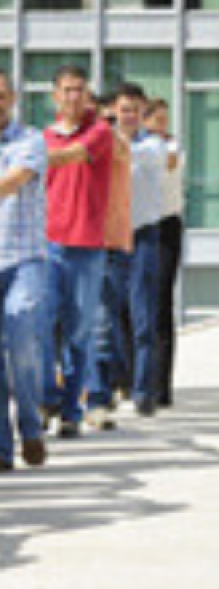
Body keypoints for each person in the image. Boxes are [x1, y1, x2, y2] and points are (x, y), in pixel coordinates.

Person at [42, 64, 114, 438]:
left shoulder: (99, 132)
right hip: (48, 245)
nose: (73, 97)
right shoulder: (43, 136)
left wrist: (27, 159)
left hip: (87, 248)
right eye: (66, 90)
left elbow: (72, 155)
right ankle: (45, 397)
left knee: (78, 334)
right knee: (39, 326)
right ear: (54, 95)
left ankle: (70, 410)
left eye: (79, 90)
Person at [87, 82, 166, 420]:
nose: (130, 116)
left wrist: (102, 137)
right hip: (110, 239)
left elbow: (126, 152)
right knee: (105, 320)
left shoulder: (154, 146)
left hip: (145, 236)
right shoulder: (102, 142)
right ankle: (103, 391)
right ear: (115, 112)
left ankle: (144, 390)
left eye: (136, 110)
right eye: (124, 110)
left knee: (143, 318)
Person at [0, 70, 49, 470]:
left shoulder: (30, 140)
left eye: (1, 95)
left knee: (22, 343)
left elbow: (13, 181)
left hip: (24, 260)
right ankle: (2, 448)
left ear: (12, 97)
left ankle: (30, 426)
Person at [145, 98, 184, 408]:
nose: (162, 125)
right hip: (138, 225)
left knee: (160, 305)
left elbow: (169, 164)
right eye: (157, 119)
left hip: (165, 227)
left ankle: (160, 387)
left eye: (164, 119)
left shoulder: (170, 147)